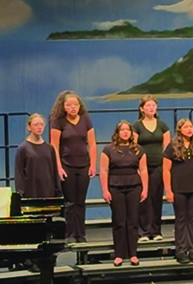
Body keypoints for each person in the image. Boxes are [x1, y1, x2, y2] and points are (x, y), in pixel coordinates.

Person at [49, 91, 96, 244]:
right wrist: (59, 167)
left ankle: (81, 234)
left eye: (75, 104)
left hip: (83, 165)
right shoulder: (58, 121)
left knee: (80, 202)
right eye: (69, 105)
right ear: (63, 107)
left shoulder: (85, 120)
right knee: (70, 203)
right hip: (66, 165)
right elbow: (54, 146)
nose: (73, 107)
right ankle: (70, 234)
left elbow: (92, 144)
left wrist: (93, 165)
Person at [100, 121, 148, 267]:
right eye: (122, 130)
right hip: (115, 186)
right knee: (119, 221)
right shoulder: (108, 150)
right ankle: (119, 254)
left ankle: (133, 254)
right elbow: (103, 171)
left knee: (133, 221)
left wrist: (145, 188)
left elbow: (144, 170)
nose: (126, 132)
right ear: (117, 133)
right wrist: (105, 190)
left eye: (128, 130)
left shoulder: (138, 149)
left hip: (134, 186)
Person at [162, 119, 193, 264]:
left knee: (192, 218)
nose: (189, 129)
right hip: (178, 189)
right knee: (181, 219)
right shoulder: (172, 146)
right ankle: (181, 250)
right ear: (180, 129)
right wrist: (168, 190)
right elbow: (166, 170)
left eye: (191, 126)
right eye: (186, 127)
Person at [133, 95, 170, 242]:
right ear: (142, 109)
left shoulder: (162, 125)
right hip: (142, 167)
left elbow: (167, 148)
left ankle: (156, 231)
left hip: (158, 166)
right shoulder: (137, 125)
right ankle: (143, 231)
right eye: (148, 106)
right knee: (143, 198)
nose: (151, 108)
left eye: (153, 105)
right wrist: (136, 165)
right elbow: (133, 147)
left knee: (156, 198)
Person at [14, 114, 61, 199]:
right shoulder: (23, 148)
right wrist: (21, 193)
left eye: (41, 124)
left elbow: (54, 171)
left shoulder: (49, 148)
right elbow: (19, 173)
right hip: (31, 191)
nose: (39, 127)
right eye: (36, 125)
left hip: (48, 191)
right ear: (29, 127)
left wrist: (57, 190)